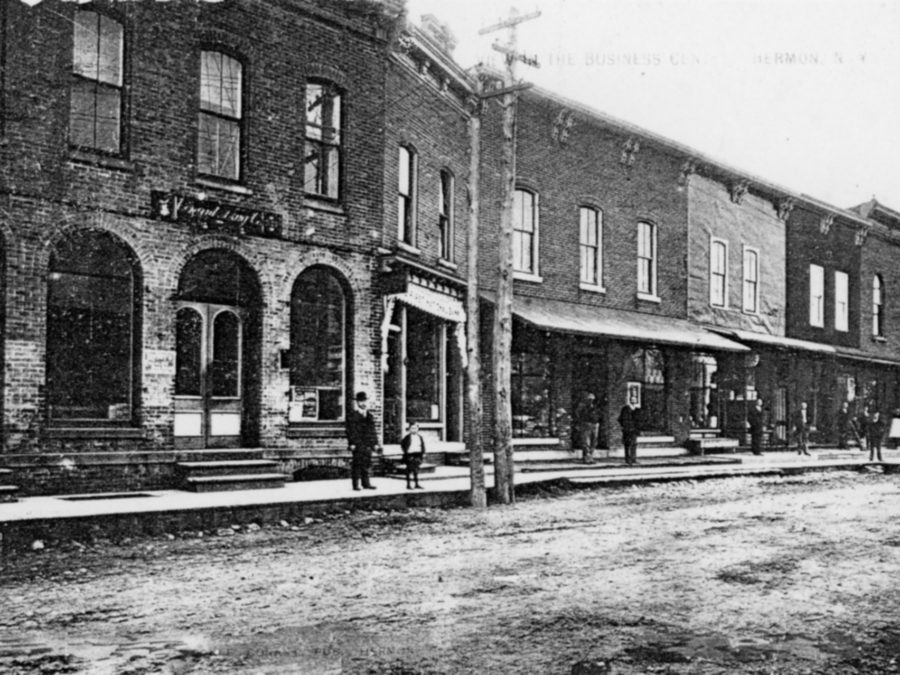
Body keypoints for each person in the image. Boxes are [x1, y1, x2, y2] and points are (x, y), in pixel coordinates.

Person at [345, 391, 380, 491]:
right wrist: (351, 443)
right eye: (360, 401)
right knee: (357, 464)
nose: (363, 403)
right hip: (357, 444)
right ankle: (355, 485)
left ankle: (366, 483)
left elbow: (373, 431)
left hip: (368, 444)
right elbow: (350, 431)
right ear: (357, 403)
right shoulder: (352, 416)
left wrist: (375, 443)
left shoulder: (369, 416)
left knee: (366, 463)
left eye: (364, 401)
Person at [574, 392, 601, 464]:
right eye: (589, 399)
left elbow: (599, 414)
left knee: (594, 441)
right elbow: (578, 415)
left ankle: (590, 456)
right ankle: (587, 458)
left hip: (594, 425)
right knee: (586, 441)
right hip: (586, 424)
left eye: (592, 399)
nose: (591, 401)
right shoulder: (582, 407)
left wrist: (597, 422)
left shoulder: (595, 407)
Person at [400, 422, 426, 490]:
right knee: (409, 469)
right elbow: (403, 444)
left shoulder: (419, 437)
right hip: (410, 454)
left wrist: (423, 452)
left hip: (418, 454)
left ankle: (416, 484)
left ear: (418, 429)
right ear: (409, 429)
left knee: (416, 470)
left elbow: (422, 445)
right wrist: (406, 451)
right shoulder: (407, 437)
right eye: (412, 428)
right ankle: (408, 484)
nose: (414, 430)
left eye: (415, 428)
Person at [618, 392, 640, 466]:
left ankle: (633, 458)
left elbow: (639, 420)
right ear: (630, 400)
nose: (633, 401)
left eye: (635, 400)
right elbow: (620, 419)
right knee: (627, 444)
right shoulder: (625, 409)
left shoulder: (637, 410)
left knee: (634, 444)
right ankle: (628, 459)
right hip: (627, 430)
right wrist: (624, 426)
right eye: (632, 400)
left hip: (634, 430)